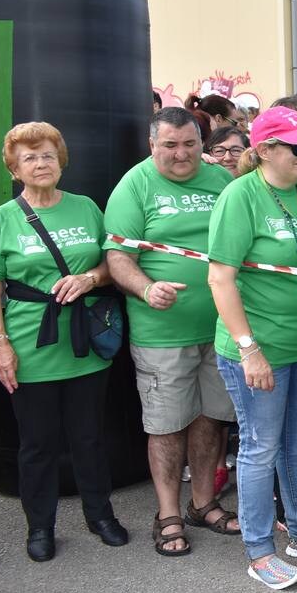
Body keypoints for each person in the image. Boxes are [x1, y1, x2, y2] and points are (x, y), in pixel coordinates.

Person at [0, 122, 126, 561]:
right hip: (28, 344)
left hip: (85, 342)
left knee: (89, 437)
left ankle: (100, 516)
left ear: (60, 160)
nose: (40, 163)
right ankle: (39, 527)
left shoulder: (85, 208)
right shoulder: (3, 218)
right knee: (37, 443)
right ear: (14, 168)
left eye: (47, 155)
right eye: (29, 157)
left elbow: (109, 265)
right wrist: (0, 345)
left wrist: (90, 277)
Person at [104, 107, 239, 556]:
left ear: (203, 144)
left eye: (190, 145)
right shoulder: (135, 185)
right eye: (170, 146)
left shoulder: (221, 181)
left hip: (221, 328)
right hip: (163, 332)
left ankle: (203, 502)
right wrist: (147, 289)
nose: (181, 155)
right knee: (166, 426)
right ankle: (168, 513)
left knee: (210, 420)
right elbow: (118, 258)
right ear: (152, 145)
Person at [208, 106, 297, 589]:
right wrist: (248, 348)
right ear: (264, 151)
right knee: (261, 448)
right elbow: (220, 277)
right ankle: (259, 550)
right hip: (259, 348)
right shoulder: (240, 196)